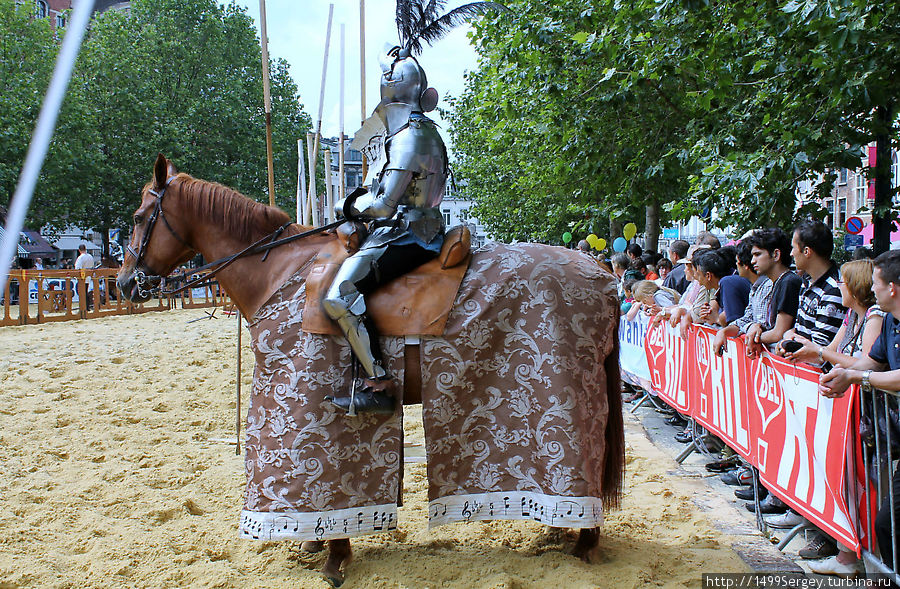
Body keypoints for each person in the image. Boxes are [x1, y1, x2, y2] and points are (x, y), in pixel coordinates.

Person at [323, 44, 449, 414]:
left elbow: (382, 205)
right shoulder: (412, 132)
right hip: (407, 227)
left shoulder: (410, 138)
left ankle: (378, 385)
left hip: (408, 233)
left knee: (339, 293)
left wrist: (344, 206)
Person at [819, 251, 900, 574]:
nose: (873, 290)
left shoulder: (880, 317)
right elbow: (873, 361)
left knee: (889, 518)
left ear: (891, 288)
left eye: (877, 284)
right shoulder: (892, 320)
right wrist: (843, 376)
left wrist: (855, 376)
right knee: (887, 520)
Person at [778, 219, 846, 361]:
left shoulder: (833, 290)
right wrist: (788, 337)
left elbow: (819, 350)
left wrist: (787, 341)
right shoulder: (807, 281)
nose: (791, 253)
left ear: (807, 251)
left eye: (793, 248)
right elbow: (799, 330)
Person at [745, 228, 801, 356]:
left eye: (758, 254)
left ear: (776, 255)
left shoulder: (788, 282)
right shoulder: (777, 282)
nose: (753, 260)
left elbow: (778, 333)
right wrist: (756, 327)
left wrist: (752, 338)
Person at [713, 238, 773, 356]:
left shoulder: (768, 286)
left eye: (757, 255)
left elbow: (762, 325)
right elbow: (747, 319)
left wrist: (753, 328)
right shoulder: (755, 288)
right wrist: (724, 332)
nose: (736, 265)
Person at [694, 249, 751, 327]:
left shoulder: (728, 282)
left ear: (708, 276)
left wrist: (716, 318)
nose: (698, 279)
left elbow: (734, 324)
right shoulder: (725, 283)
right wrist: (709, 313)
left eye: (698, 274)